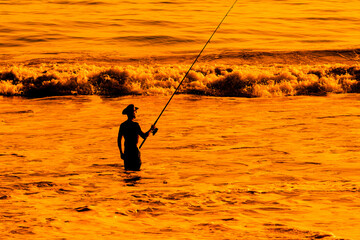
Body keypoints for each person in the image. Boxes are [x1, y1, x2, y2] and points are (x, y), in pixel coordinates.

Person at [117, 104, 155, 171]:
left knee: (127, 174)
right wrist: (151, 129)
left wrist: (121, 152)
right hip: (134, 152)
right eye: (135, 111)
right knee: (136, 174)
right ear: (132, 113)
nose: (136, 113)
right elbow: (144, 136)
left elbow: (119, 140)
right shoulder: (135, 125)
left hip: (127, 152)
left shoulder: (123, 125)